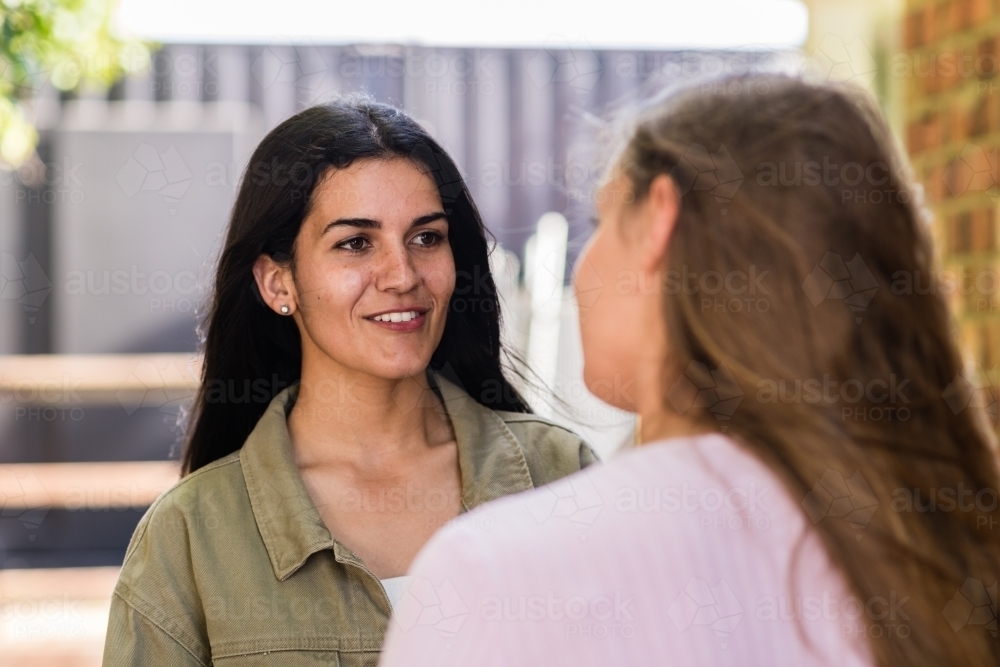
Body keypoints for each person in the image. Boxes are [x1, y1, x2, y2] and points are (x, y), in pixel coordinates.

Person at [378, 74, 1000, 667]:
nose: (584, 269)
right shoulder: (947, 542)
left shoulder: (491, 576)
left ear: (659, 222)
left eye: (600, 222)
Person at [101, 97, 597, 667]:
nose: (403, 275)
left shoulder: (563, 480)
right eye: (355, 243)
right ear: (277, 283)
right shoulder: (188, 539)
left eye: (426, 237)